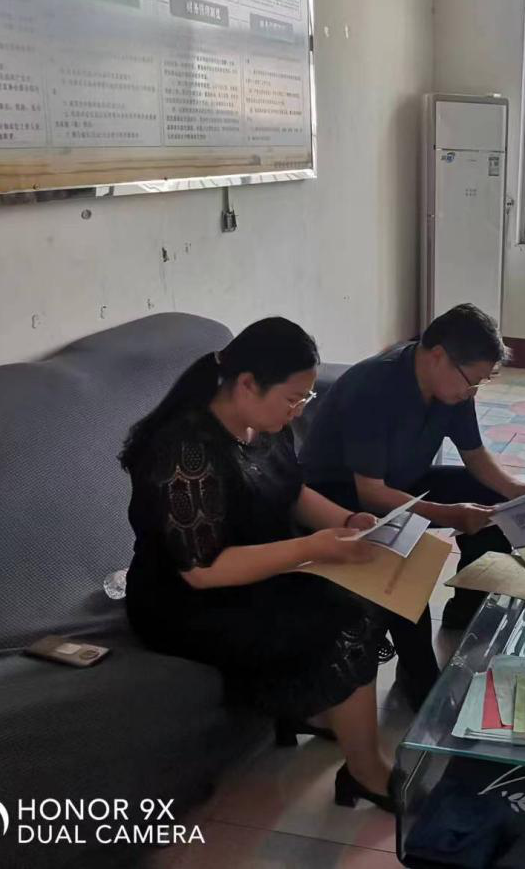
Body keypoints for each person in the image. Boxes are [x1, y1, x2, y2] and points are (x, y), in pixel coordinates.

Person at [122, 317, 397, 813]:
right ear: (247, 384)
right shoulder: (186, 452)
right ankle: (366, 772)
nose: (298, 410)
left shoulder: (264, 426)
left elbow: (290, 490)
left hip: (258, 566)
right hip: (188, 602)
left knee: (366, 589)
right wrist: (314, 548)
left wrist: (348, 521)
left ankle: (317, 711)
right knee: (343, 612)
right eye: (293, 398)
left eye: (305, 399)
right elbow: (202, 570)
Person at [301, 303, 525, 705]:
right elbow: (372, 493)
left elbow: (474, 455)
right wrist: (450, 514)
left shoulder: (452, 388)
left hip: (403, 482)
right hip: (340, 498)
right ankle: (417, 672)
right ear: (438, 355)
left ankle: (467, 608)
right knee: (403, 548)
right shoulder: (374, 388)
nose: (472, 393)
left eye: (480, 384)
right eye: (471, 381)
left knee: (494, 500)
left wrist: (517, 492)